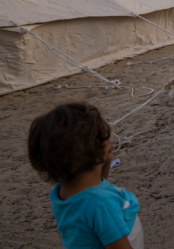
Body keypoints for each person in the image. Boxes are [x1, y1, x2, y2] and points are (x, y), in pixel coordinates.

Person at [28, 103, 144, 249]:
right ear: (98, 151)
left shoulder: (63, 190)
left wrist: (105, 161)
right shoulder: (103, 205)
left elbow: (98, 182)